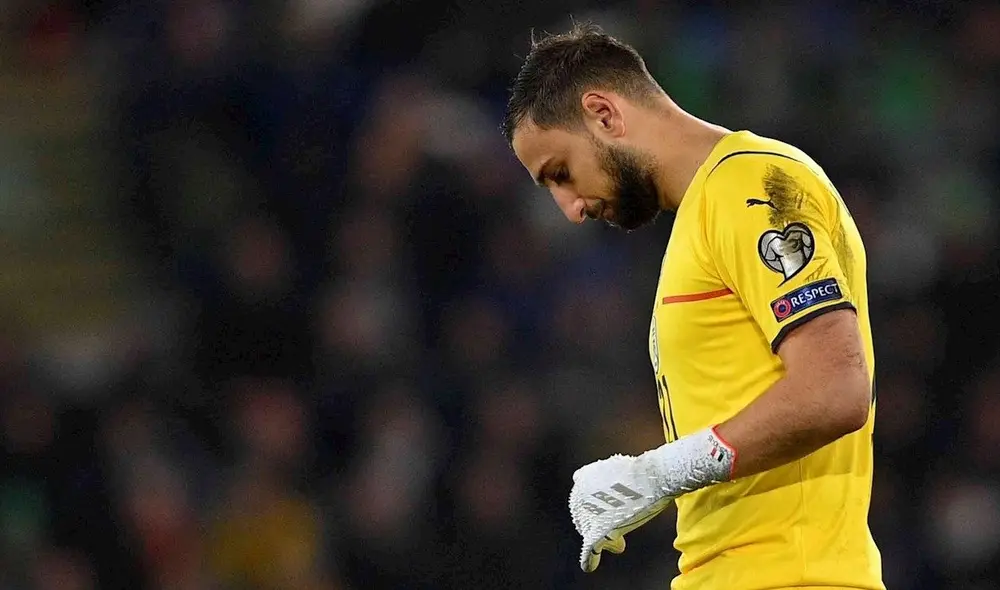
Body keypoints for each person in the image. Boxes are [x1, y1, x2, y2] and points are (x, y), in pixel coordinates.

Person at [502, 23, 884, 590]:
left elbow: (835, 387)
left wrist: (656, 473)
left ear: (604, 114)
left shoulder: (749, 184)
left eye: (561, 173)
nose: (570, 208)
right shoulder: (705, 210)